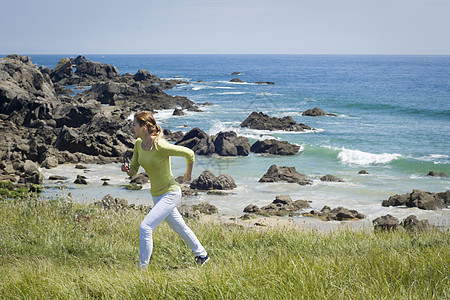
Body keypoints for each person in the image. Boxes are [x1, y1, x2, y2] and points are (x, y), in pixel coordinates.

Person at [121, 111, 209, 268]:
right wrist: (128, 170)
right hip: (156, 195)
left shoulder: (160, 146)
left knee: (145, 227)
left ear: (144, 127)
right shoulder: (138, 145)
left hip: (170, 193)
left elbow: (189, 153)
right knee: (180, 228)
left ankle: (142, 270)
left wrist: (187, 174)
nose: (131, 128)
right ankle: (202, 256)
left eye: (134, 125)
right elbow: (134, 169)